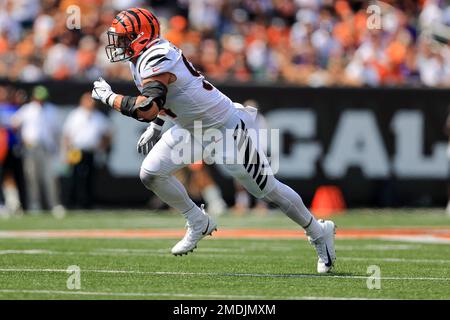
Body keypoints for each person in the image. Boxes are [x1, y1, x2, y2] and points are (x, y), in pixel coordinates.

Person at [92, 7, 336, 273]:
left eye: (125, 38)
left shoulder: (158, 56)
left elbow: (146, 107)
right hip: (191, 129)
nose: (120, 44)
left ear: (141, 36)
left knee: (266, 190)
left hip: (225, 129)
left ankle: (318, 230)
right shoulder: (142, 58)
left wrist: (109, 98)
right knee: (151, 173)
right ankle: (198, 220)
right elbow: (167, 100)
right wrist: (158, 124)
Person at [12, 85, 65, 216]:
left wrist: (59, 149)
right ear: (33, 97)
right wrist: (22, 139)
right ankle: (34, 205)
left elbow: (58, 132)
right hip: (30, 147)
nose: (40, 101)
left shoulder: (52, 110)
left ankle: (54, 205)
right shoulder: (27, 109)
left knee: (50, 178)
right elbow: (14, 124)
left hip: (47, 148)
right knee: (32, 178)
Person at [62, 92, 112, 209]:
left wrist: (102, 146)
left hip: (91, 151)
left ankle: (87, 203)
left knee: (90, 177)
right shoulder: (75, 115)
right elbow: (67, 135)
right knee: (74, 176)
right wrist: (66, 152)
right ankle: (71, 202)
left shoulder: (98, 117)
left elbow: (109, 133)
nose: (90, 103)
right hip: (76, 150)